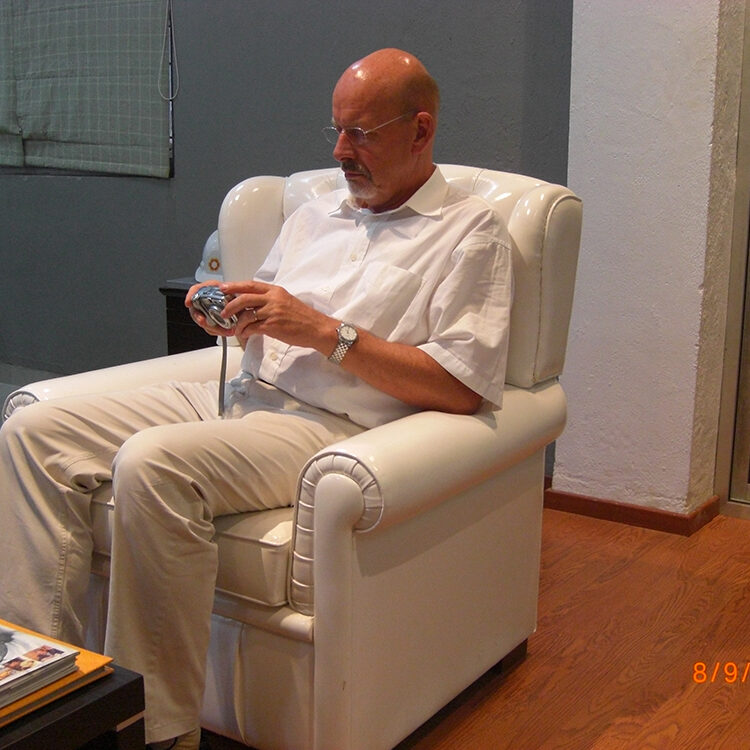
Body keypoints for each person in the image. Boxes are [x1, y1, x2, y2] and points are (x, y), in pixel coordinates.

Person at [0, 48, 512, 750]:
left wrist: (325, 332)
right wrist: (230, 310)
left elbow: (461, 386)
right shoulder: (316, 214)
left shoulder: (470, 231)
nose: (340, 151)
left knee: (152, 463)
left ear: (420, 130)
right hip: (239, 392)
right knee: (33, 431)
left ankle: (154, 730)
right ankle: (35, 694)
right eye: (336, 130)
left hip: (332, 424)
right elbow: (267, 308)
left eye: (361, 133)